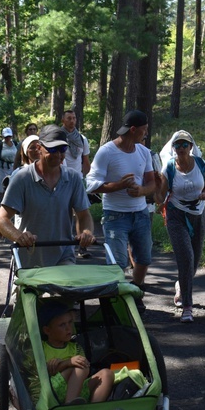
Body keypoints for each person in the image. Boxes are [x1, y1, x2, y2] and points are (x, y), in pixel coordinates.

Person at [86, 110, 157, 312]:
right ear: (133, 130)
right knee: (117, 263)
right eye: (144, 129)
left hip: (141, 213)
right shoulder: (107, 152)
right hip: (115, 215)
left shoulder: (143, 152)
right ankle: (114, 301)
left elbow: (151, 182)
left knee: (144, 258)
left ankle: (136, 290)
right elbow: (91, 184)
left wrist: (142, 190)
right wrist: (117, 186)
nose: (146, 133)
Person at [0, 125, 95, 267]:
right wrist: (18, 236)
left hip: (63, 255)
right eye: (53, 149)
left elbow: (84, 215)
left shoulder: (73, 178)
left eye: (62, 149)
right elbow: (1, 219)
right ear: (39, 148)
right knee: (27, 289)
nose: (58, 154)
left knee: (69, 287)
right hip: (28, 257)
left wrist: (86, 232)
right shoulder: (22, 178)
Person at [155, 130, 205, 323]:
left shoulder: (201, 164)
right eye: (177, 145)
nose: (180, 148)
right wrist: (155, 197)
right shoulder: (169, 168)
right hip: (176, 215)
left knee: (194, 260)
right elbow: (160, 196)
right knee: (186, 258)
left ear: (191, 147)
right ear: (173, 149)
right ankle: (187, 306)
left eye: (184, 145)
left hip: (198, 214)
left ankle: (182, 284)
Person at [38, 299, 114, 404]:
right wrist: (67, 363)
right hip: (52, 391)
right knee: (79, 366)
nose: (69, 328)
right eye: (62, 325)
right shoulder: (42, 348)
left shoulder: (75, 347)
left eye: (70, 322)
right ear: (47, 330)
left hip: (76, 390)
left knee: (107, 373)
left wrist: (64, 364)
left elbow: (84, 370)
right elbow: (40, 373)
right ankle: (69, 406)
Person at [60, 111, 90, 176]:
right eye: (69, 118)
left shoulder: (82, 139)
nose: (72, 121)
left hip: (78, 178)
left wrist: (86, 179)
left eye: (74, 118)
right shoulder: (58, 138)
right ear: (63, 120)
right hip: (62, 178)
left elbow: (86, 161)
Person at [0, 127, 17, 193]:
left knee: (13, 186)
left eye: (9, 136)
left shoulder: (15, 144)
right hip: (2, 168)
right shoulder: (0, 145)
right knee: (2, 187)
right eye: (6, 136)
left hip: (13, 167)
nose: (8, 138)